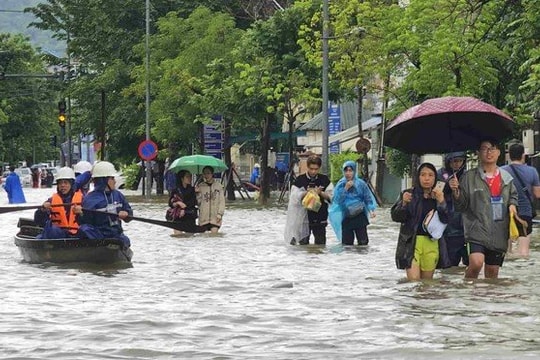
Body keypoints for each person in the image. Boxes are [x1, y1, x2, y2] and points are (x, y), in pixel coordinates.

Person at [450, 139, 518, 279]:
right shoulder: (469, 178)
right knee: (476, 262)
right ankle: (468, 289)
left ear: (499, 152)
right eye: (484, 149)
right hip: (476, 230)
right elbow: (461, 206)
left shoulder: (507, 179)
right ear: (478, 153)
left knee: (492, 273)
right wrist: (456, 192)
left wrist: (512, 206)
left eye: (492, 148)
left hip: (499, 232)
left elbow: (513, 197)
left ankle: (486, 299)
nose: (489, 152)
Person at [391, 162, 448, 281]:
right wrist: (404, 204)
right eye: (423, 175)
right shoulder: (408, 194)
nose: (426, 178)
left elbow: (446, 219)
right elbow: (396, 217)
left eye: (430, 175)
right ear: (418, 177)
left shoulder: (439, 195)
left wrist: (441, 202)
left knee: (426, 284)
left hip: (431, 243)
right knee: (414, 281)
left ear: (435, 178)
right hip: (411, 242)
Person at [78, 161, 133, 247]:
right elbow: (84, 222)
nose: (115, 181)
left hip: (116, 235)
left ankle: (115, 246)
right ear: (103, 180)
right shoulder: (90, 199)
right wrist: (81, 214)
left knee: (126, 240)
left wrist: (127, 214)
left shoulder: (118, 195)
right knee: (84, 229)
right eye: (112, 178)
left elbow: (129, 215)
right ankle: (101, 248)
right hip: (99, 236)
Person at [501, 142, 540, 257]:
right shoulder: (532, 171)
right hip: (525, 213)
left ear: (509, 155)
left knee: (505, 252)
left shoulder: (501, 171)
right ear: (523, 155)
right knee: (523, 252)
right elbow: (537, 194)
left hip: (505, 213)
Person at [329, 160, 377, 245]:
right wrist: (345, 189)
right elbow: (337, 201)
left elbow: (367, 198)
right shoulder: (340, 184)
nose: (348, 173)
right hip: (347, 217)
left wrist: (371, 210)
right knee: (347, 245)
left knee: (363, 244)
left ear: (354, 171)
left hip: (360, 216)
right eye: (346, 170)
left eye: (350, 170)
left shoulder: (361, 184)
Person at [289, 155, 331, 245]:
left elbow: (332, 197)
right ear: (307, 167)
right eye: (311, 169)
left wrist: (320, 193)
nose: (313, 171)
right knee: (302, 247)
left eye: (316, 169)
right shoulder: (299, 180)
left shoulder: (325, 180)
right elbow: (293, 197)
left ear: (319, 168)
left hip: (320, 218)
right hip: (303, 219)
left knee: (320, 246)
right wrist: (306, 192)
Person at [437, 151, 468, 267]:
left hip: (465, 227)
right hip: (448, 228)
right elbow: (436, 193)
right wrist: (447, 187)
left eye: (460, 161)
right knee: (449, 265)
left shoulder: (466, 175)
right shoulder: (440, 174)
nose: (457, 164)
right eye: (454, 161)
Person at [34, 167, 83, 239]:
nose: (62, 185)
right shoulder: (51, 200)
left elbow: (90, 219)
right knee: (49, 230)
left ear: (71, 184)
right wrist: (42, 210)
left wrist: (82, 212)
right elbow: (39, 222)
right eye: (60, 183)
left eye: (65, 182)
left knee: (87, 230)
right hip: (58, 234)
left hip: (76, 235)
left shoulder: (82, 199)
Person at [196, 165, 225, 233]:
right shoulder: (200, 186)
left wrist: (220, 214)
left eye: (208, 173)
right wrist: (197, 194)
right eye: (204, 173)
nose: (206, 175)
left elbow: (222, 201)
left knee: (214, 236)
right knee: (203, 239)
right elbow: (198, 203)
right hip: (203, 218)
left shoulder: (218, 186)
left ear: (212, 174)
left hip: (215, 217)